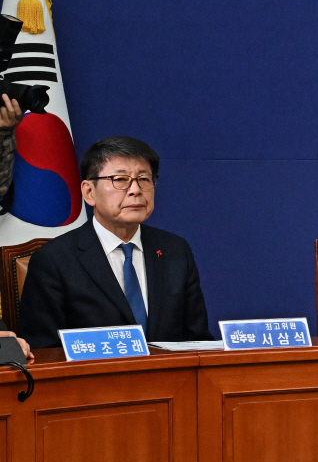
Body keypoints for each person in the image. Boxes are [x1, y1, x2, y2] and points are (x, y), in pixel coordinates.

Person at [18, 136, 212, 349]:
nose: (135, 190)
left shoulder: (175, 250)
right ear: (89, 192)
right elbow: (44, 350)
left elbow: (198, 341)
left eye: (144, 179)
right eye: (120, 180)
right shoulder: (54, 260)